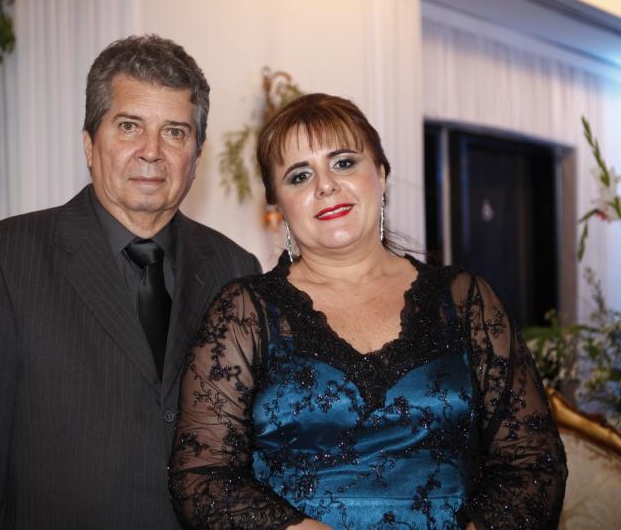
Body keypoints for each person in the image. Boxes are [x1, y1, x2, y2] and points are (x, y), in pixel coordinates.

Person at [169, 93, 567, 529]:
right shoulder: (244, 313)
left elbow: (533, 461)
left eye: (343, 163)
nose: (325, 186)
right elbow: (202, 477)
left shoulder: (467, 300)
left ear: (381, 173)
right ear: (278, 203)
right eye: (300, 175)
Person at [0, 34, 261, 529]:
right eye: (129, 126)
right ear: (89, 142)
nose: (152, 152)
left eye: (174, 132)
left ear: (197, 153)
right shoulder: (5, 259)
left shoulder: (236, 270)